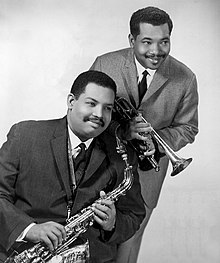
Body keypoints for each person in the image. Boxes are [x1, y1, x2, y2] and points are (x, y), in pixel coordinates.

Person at [0, 70, 146, 263]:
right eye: (91, 103)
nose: (99, 114)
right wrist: (29, 229)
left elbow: (134, 214)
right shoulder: (25, 135)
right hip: (26, 254)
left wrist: (113, 223)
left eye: (108, 108)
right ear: (71, 101)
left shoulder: (122, 154)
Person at [90, 6, 199, 263]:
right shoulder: (105, 64)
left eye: (164, 42)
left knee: (128, 248)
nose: (156, 51)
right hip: (100, 168)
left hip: (146, 176)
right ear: (132, 40)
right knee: (91, 241)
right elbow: (85, 114)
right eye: (147, 41)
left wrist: (158, 144)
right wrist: (122, 130)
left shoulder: (185, 78)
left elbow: (188, 127)